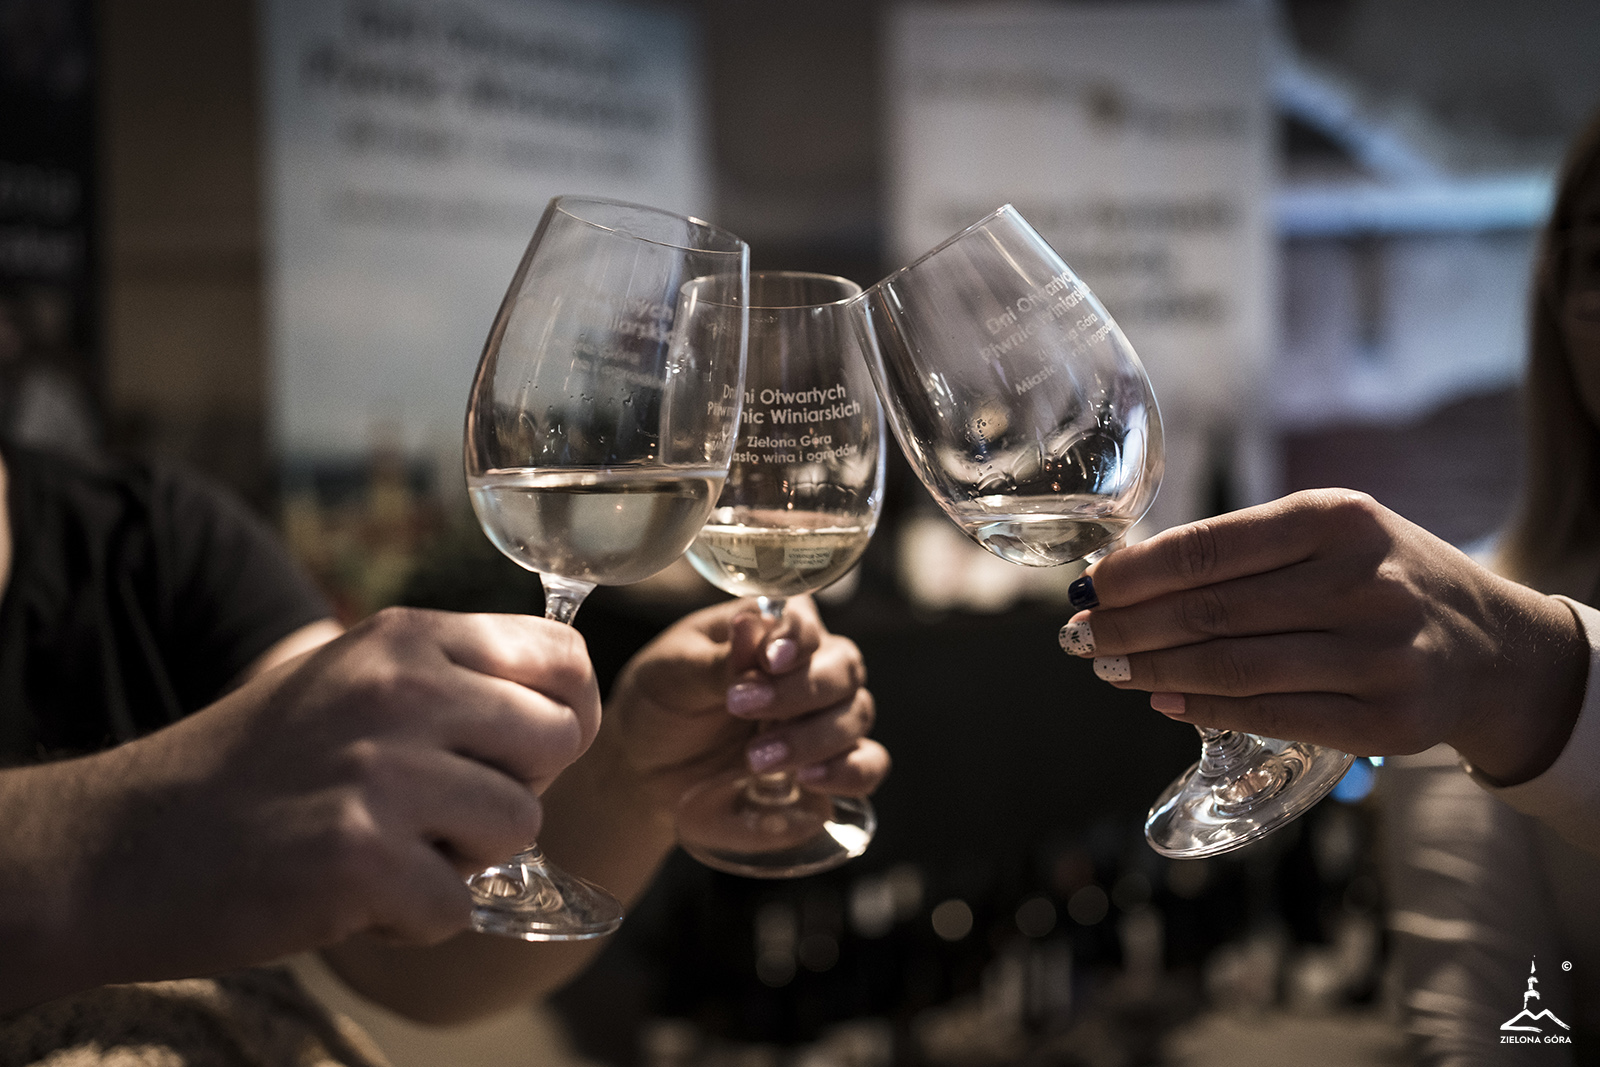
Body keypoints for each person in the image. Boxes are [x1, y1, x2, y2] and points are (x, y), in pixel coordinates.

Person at [0, 440, 887, 1056]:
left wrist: (633, 780)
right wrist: (171, 819)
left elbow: (405, 945)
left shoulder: (162, 543)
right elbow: (249, 799)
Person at [1059, 108, 1600, 1060]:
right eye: (1599, 261)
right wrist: (1503, 672)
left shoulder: (1482, 643)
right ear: (1558, 306)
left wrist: (1535, 678)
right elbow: (1490, 1025)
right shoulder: (1468, 633)